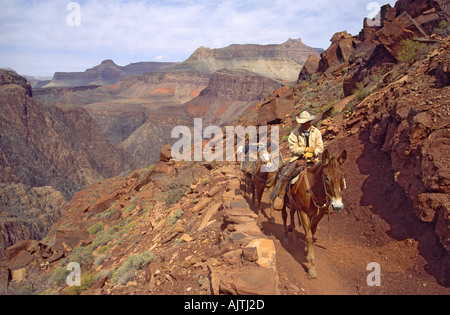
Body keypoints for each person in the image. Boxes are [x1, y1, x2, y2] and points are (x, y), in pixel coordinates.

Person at [270, 111, 324, 202]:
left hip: (314, 158)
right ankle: (279, 195)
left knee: (328, 175)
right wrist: (305, 151)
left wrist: (313, 152)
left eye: (305, 123)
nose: (303, 125)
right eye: (302, 123)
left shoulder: (316, 132)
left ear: (309, 122)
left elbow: (320, 147)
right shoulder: (294, 134)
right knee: (285, 174)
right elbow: (293, 149)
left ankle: (328, 200)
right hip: (298, 159)